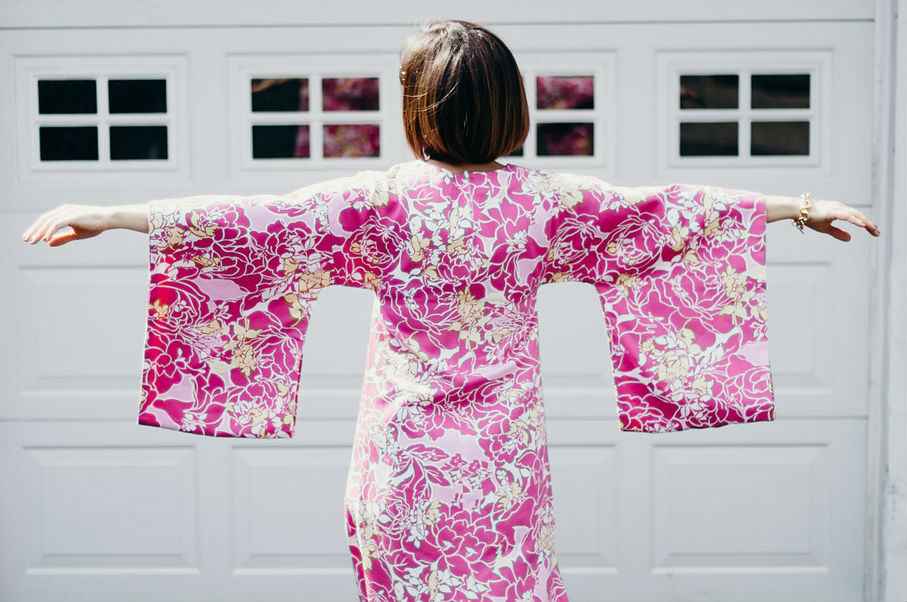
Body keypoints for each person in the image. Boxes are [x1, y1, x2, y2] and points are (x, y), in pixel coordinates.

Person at [20, 19, 879, 602]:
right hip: (504, 460)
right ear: (509, 106)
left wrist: (117, 216)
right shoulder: (545, 204)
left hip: (402, 462)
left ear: (415, 108)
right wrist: (796, 205)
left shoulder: (383, 201)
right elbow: (663, 212)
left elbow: (255, 223)